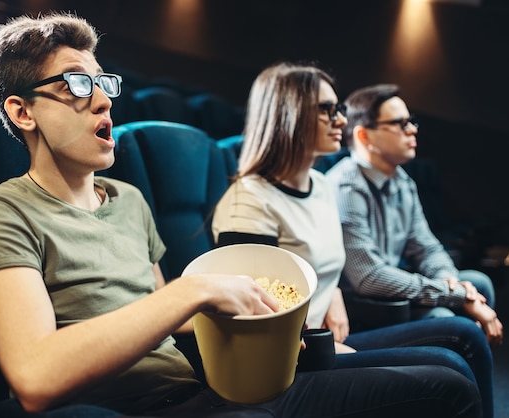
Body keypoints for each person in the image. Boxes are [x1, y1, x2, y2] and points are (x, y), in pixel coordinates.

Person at [0, 13, 482, 417]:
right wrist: (193, 290)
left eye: (104, 84)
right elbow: (34, 377)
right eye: (77, 84)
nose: (102, 101)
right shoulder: (2, 212)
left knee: (449, 374)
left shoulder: (128, 201)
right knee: (447, 389)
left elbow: (173, 322)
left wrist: (263, 323)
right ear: (22, 111)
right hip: (132, 408)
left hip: (209, 389)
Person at [211, 62, 494, 418]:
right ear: (289, 115)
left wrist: (333, 295)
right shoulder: (250, 200)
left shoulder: (320, 185)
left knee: (462, 336)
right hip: (288, 361)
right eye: (327, 111)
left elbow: (314, 263)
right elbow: (254, 319)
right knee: (450, 375)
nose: (341, 120)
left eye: (340, 109)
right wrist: (323, 349)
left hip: (321, 338)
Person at [324, 84, 503, 348]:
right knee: (448, 316)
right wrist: (453, 294)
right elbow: (369, 277)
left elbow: (426, 247)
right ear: (364, 136)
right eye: (400, 123)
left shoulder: (401, 180)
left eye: (412, 121)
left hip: (391, 297)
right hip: (362, 310)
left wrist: (449, 281)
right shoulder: (346, 186)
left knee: (479, 284)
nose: (412, 129)